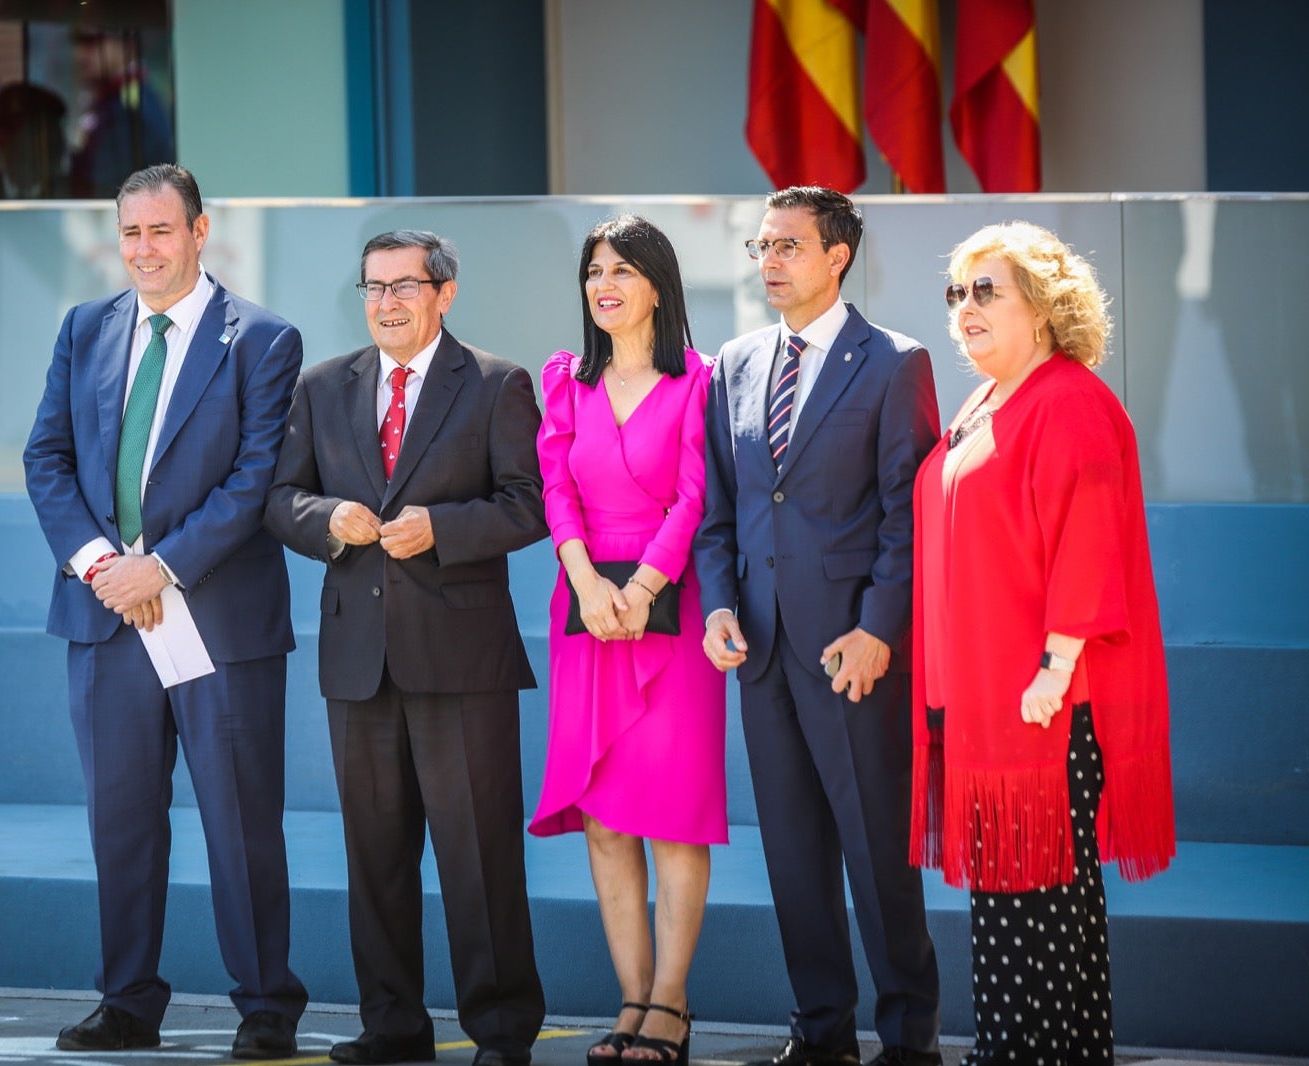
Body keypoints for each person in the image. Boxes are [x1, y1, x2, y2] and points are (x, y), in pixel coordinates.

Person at [22, 163, 309, 1057]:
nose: (144, 249)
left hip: (216, 619)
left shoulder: (262, 339)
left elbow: (254, 477)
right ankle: (127, 1002)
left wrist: (164, 568)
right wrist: (104, 564)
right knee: (122, 822)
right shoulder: (85, 329)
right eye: (131, 233)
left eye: (161, 231)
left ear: (199, 231)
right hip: (106, 619)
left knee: (240, 822)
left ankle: (266, 1005)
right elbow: (47, 459)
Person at [265, 230, 547, 1066]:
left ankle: (500, 1032)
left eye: (404, 286)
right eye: (372, 287)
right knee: (375, 858)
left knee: (479, 856)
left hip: (462, 662)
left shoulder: (497, 384)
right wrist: (324, 523)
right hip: (359, 663)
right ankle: (392, 1027)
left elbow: (529, 504)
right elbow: (280, 498)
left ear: (445, 292)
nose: (386, 302)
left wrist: (443, 529)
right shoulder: (322, 387)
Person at [911, 222, 1175, 1065]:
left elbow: (1089, 540)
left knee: (1049, 903)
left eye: (987, 290)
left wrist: (1055, 666)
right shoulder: (986, 401)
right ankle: (1009, 1052)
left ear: (1046, 304)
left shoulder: (1070, 400)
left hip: (1046, 705)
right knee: (1003, 905)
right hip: (987, 705)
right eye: (958, 293)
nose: (965, 309)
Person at [695, 187, 942, 1066]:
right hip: (759, 650)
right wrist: (719, 604)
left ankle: (911, 1038)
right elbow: (720, 513)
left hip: (853, 652)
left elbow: (907, 517)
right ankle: (821, 1031)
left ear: (838, 255)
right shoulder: (733, 362)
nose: (768, 260)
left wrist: (879, 626)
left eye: (788, 245)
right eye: (761, 245)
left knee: (879, 855)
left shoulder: (895, 363)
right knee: (795, 858)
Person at [529, 216, 724, 1066]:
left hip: (669, 612)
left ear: (658, 284)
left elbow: (694, 496)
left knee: (673, 818)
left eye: (623, 269)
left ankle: (673, 1006)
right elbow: (554, 485)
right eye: (593, 270)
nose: (604, 283)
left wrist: (642, 587)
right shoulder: (564, 379)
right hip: (584, 610)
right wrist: (585, 582)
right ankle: (632, 1001)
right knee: (606, 819)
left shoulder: (702, 382)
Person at [68, 28, 174, 200]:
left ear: (128, 46)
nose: (80, 54)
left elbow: (108, 188)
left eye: (93, 41)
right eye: (78, 42)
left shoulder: (130, 106)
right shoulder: (109, 100)